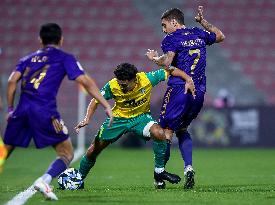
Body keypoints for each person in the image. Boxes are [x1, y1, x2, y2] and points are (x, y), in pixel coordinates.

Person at [3, 23, 113, 200]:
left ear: (40, 40)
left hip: (21, 110)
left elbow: (11, 81)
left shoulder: (27, 59)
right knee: (66, 153)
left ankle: (42, 181)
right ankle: (44, 180)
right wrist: (106, 105)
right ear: (61, 39)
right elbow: (85, 81)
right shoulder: (64, 57)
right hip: (45, 111)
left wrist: (10, 108)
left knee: (4, 150)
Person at [75, 62, 195, 189]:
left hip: (140, 118)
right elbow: (96, 100)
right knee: (94, 150)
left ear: (135, 79)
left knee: (159, 133)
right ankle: (78, 180)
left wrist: (188, 78)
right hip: (118, 120)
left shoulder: (146, 79)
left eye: (124, 85)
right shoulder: (112, 85)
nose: (121, 87)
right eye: (119, 83)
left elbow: (170, 70)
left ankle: (159, 172)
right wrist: (87, 118)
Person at [146, 6, 225, 189]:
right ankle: (188, 167)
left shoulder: (171, 38)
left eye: (164, 25)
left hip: (179, 90)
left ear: (174, 22)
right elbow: (220, 36)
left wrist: (154, 59)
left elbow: (166, 63)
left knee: (165, 131)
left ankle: (159, 175)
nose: (163, 30)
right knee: (182, 129)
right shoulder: (198, 33)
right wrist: (203, 22)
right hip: (198, 92)